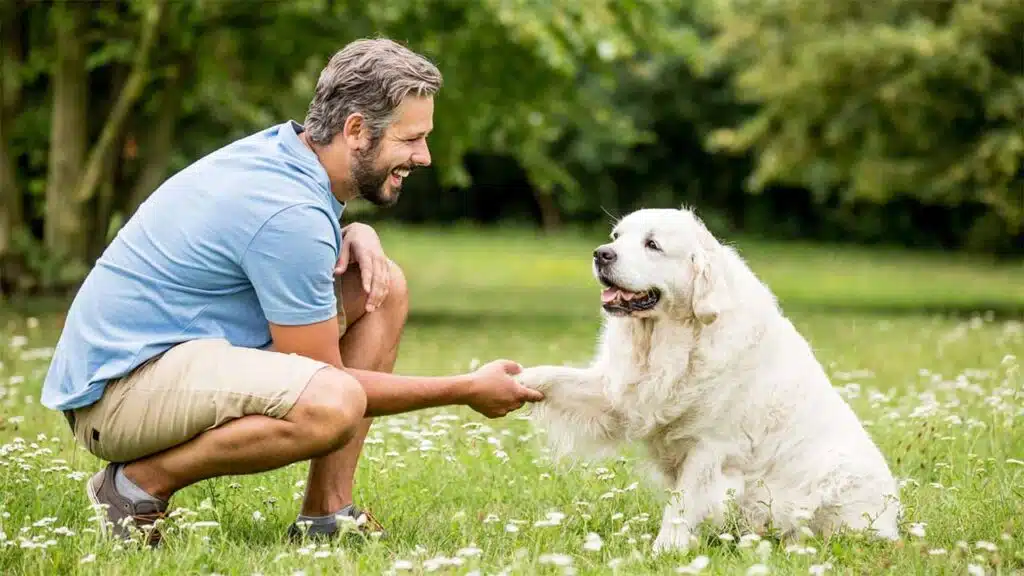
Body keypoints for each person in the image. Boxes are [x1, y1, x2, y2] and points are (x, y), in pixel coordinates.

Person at [40, 38, 544, 547]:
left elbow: (271, 246)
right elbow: (327, 379)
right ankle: (133, 490)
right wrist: (464, 388)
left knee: (381, 286)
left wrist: (353, 233)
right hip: (116, 396)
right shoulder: (288, 212)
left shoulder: (289, 155)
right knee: (332, 401)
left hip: (166, 359)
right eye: (410, 139)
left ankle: (326, 513)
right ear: (355, 130)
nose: (425, 156)